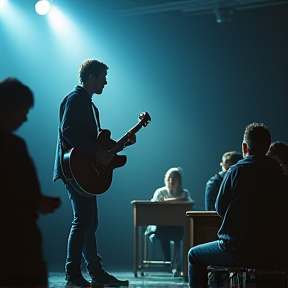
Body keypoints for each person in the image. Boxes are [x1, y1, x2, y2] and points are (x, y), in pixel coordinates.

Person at [53, 59, 135, 287]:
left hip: (84, 171)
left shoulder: (90, 105)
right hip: (74, 170)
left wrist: (122, 144)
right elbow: (67, 130)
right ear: (92, 78)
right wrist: (98, 150)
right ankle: (73, 274)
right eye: (103, 77)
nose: (105, 82)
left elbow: (96, 144)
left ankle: (96, 273)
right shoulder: (75, 99)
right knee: (82, 221)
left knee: (90, 222)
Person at [187, 122, 288, 288]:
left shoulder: (236, 171)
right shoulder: (280, 173)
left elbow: (220, 209)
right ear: (267, 146)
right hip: (275, 252)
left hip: (239, 251)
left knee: (194, 255)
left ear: (244, 147)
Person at [0, 77, 61, 288]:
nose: (25, 118)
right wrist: (35, 202)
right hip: (18, 247)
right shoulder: (14, 146)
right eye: (24, 110)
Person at [145, 167, 193, 277]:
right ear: (166, 180)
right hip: (161, 225)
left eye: (175, 179)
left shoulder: (184, 193)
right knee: (164, 233)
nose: (171, 181)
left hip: (177, 224)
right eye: (169, 178)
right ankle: (168, 262)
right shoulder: (160, 192)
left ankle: (175, 264)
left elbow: (190, 205)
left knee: (178, 234)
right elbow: (153, 207)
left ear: (179, 181)